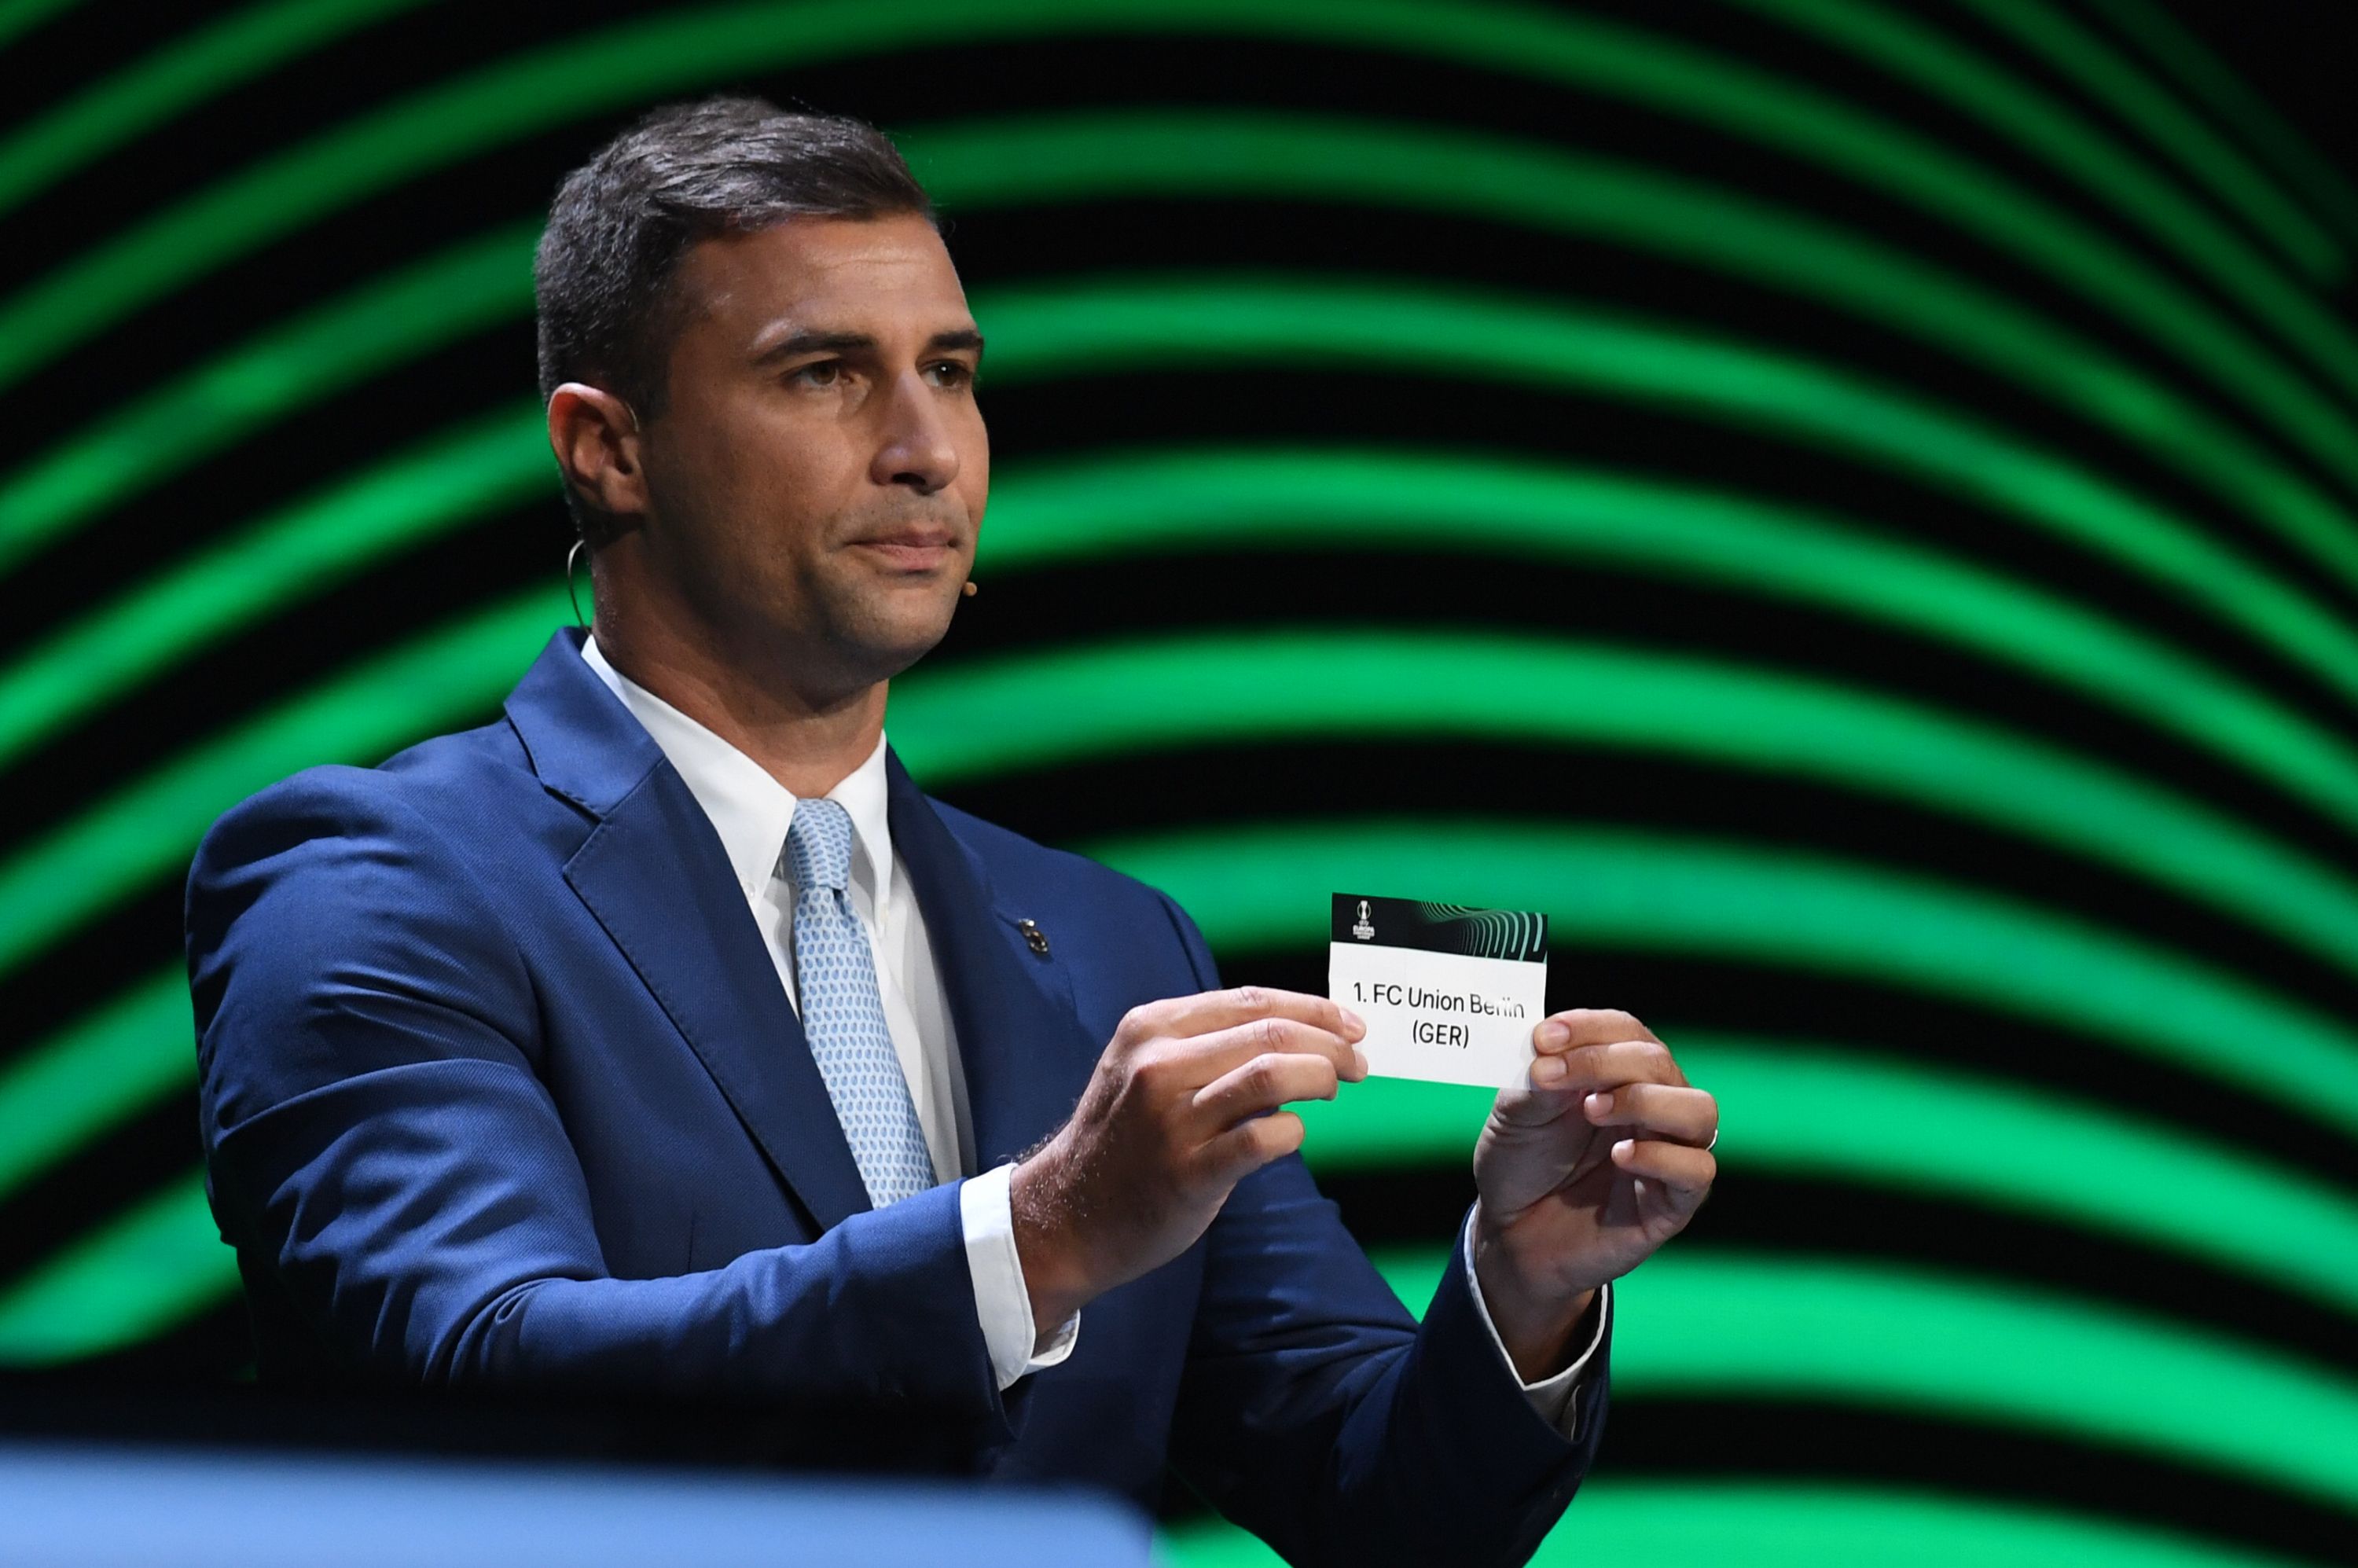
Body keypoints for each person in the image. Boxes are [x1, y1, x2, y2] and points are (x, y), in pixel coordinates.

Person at [185, 97, 1717, 1567]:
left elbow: (1385, 1506)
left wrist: (1521, 1284)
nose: (930, 449)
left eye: (955, 370)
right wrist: (1036, 1234)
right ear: (609, 447)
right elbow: (478, 1366)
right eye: (824, 373)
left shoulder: (1116, 940)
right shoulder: (373, 874)